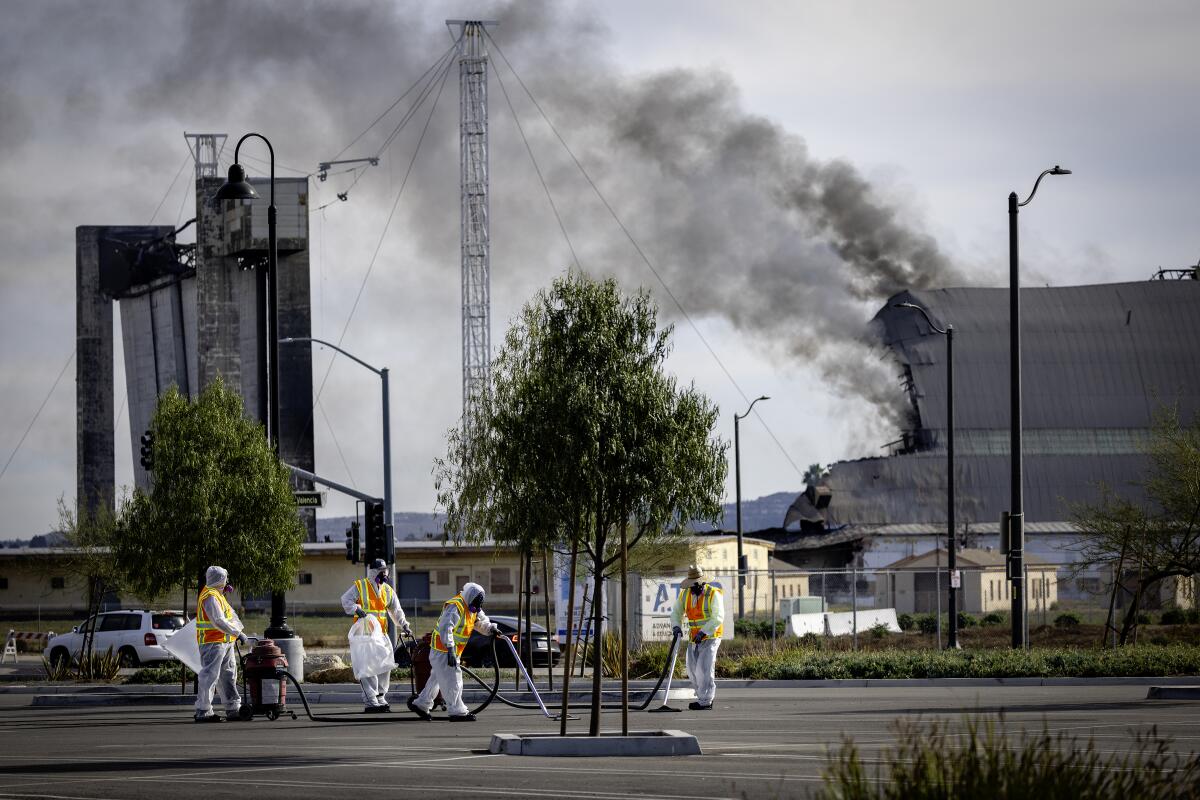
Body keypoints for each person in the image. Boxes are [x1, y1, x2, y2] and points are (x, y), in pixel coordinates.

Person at [407, 581, 501, 722]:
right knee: (453, 680)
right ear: (470, 597)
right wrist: (450, 649)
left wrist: (491, 628)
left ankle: (421, 704)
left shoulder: (473, 607)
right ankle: (457, 711)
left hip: (450, 651)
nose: (477, 608)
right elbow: (446, 628)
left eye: (479, 605)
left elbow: (481, 622)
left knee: (437, 679)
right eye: (476, 604)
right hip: (444, 650)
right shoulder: (455, 606)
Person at [341, 558, 411, 712]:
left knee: (385, 665)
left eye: (385, 571)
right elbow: (345, 600)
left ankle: (380, 696)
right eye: (381, 571)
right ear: (373, 572)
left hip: (381, 634)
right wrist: (356, 608)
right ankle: (370, 700)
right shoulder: (360, 586)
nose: (385, 574)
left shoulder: (387, 590)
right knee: (368, 668)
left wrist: (404, 624)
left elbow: (396, 610)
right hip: (364, 636)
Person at [194, 565, 248, 722]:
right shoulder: (210, 596)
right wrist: (238, 633)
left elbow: (231, 616)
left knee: (229, 675)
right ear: (220, 579)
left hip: (224, 642)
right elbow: (218, 620)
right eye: (225, 578)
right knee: (210, 676)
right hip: (212, 643)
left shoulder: (218, 595)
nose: (227, 581)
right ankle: (203, 710)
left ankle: (233, 708)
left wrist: (238, 632)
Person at [671, 565, 724, 711]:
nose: (694, 588)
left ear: (703, 582)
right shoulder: (685, 595)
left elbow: (718, 617)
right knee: (692, 669)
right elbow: (676, 612)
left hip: (711, 636)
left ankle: (706, 701)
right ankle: (701, 697)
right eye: (691, 585)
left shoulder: (714, 594)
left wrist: (704, 632)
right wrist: (676, 626)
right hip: (694, 638)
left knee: (704, 668)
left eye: (697, 584)